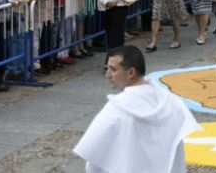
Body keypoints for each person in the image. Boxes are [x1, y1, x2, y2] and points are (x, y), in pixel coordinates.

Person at [73, 45, 200, 173]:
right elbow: (177, 150)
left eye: (113, 69)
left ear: (131, 73)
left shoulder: (115, 110)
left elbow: (96, 156)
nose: (107, 75)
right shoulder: (170, 102)